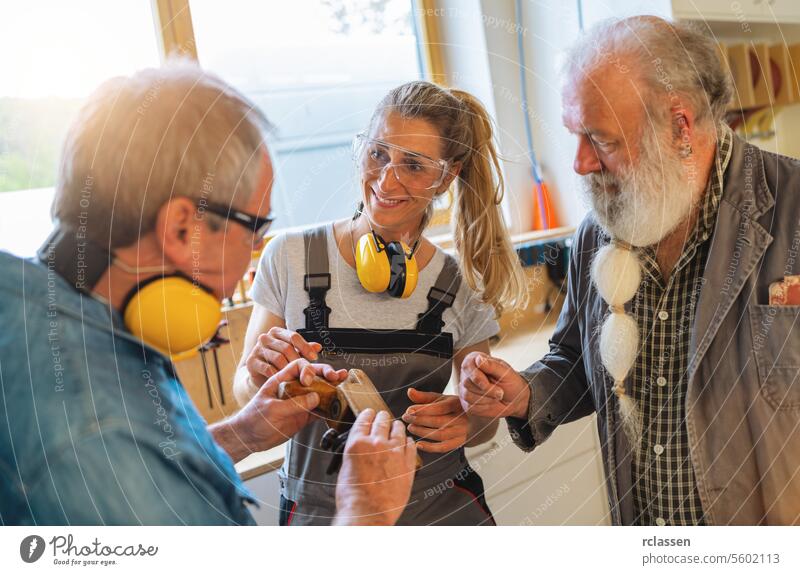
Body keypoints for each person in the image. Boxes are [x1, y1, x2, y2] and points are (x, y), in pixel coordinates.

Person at [0, 60, 415, 526]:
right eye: (255, 227)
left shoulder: (27, 314)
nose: (257, 249)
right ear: (182, 228)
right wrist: (367, 512)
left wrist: (244, 433)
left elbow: (151, 477)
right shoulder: (96, 431)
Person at [460, 16, 800, 526]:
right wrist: (526, 392)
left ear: (680, 126)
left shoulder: (791, 209)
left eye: (601, 140)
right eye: (575, 134)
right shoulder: (599, 230)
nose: (578, 163)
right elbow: (575, 356)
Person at [233, 80, 527, 525]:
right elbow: (246, 393)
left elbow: (483, 424)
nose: (387, 179)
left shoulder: (459, 279)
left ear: (447, 175)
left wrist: (468, 420)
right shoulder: (289, 257)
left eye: (413, 165)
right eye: (378, 154)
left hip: (440, 514)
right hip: (324, 518)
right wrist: (257, 375)